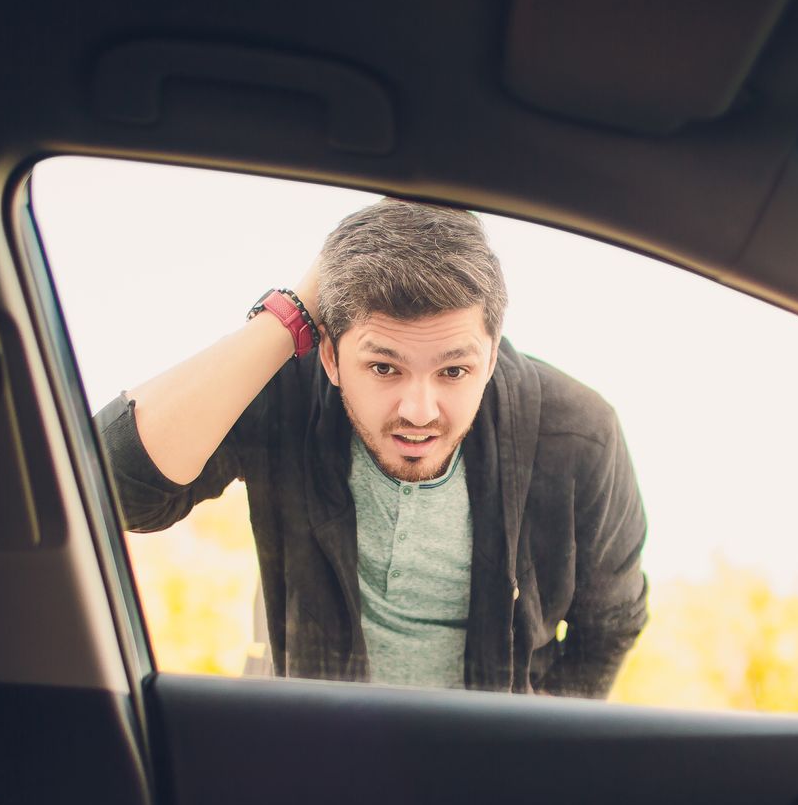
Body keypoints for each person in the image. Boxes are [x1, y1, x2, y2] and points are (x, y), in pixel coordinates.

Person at [96, 199, 648, 698]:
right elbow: (114, 490)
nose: (419, 410)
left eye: (455, 370)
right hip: (311, 758)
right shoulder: (288, 389)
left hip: (487, 776)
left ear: (491, 355)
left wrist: (531, 749)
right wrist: (290, 315)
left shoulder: (580, 434)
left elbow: (610, 625)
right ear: (332, 358)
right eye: (384, 367)